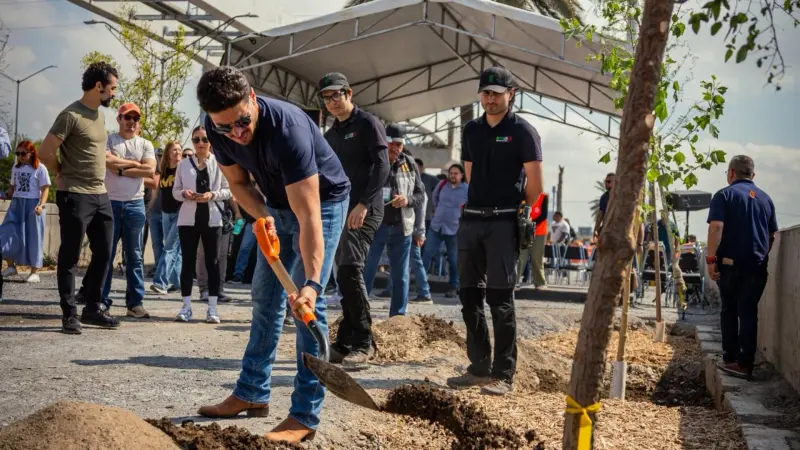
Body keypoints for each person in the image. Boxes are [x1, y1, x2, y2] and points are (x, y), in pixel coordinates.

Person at [195, 66, 350, 443]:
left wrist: (312, 284)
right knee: (265, 297)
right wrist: (264, 219)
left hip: (323, 203)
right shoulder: (217, 127)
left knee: (306, 309)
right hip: (275, 206)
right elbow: (237, 184)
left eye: (242, 122)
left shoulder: (288, 130)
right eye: (225, 127)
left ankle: (304, 415)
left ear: (253, 98)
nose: (236, 133)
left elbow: (310, 215)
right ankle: (251, 393)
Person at [446, 66, 543, 396]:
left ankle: (504, 374)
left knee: (500, 300)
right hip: (471, 221)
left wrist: (512, 208)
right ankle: (479, 368)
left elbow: (537, 186)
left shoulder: (523, 132)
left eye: (497, 93)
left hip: (504, 223)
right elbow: (471, 175)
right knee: (469, 297)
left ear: (511, 94)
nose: (490, 98)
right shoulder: (471, 130)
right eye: (485, 92)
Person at [38, 61, 121, 335]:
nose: (114, 94)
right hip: (75, 195)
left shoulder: (99, 115)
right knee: (70, 256)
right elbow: (45, 151)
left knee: (105, 252)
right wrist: (61, 172)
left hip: (101, 195)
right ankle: (69, 314)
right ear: (99, 86)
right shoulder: (70, 115)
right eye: (112, 88)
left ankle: (92, 309)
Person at [318, 72, 390, 366]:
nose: (332, 101)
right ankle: (346, 340)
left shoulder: (368, 123)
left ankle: (364, 342)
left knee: (350, 271)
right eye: (326, 97)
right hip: (339, 210)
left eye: (337, 94)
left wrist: (362, 204)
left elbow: (382, 166)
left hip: (365, 209)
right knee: (343, 276)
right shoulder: (330, 136)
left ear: (349, 93)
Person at [706, 155, 777, 379]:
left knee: (729, 310)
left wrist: (710, 260)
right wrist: (761, 256)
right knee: (748, 313)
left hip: (730, 265)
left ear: (731, 173)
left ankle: (730, 358)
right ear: (753, 175)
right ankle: (746, 364)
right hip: (756, 266)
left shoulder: (724, 195)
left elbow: (716, 227)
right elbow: (771, 234)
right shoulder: (766, 199)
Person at [364, 124, 426, 318]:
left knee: (400, 276)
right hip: (375, 225)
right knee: (366, 271)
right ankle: (359, 313)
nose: (395, 148)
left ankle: (398, 316)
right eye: (392, 143)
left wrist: (407, 200)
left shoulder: (409, 163)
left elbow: (420, 194)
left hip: (402, 227)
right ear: (384, 142)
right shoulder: (372, 160)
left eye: (399, 144)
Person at [100, 102, 156, 318]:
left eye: (135, 118)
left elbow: (150, 169)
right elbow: (106, 161)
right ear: (119, 119)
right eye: (127, 117)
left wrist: (120, 168)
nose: (131, 122)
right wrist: (134, 165)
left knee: (135, 256)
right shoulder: (109, 140)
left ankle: (135, 303)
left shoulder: (145, 144)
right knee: (106, 254)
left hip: (135, 205)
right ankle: (101, 301)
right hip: (110, 203)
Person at [172, 126, 231, 323]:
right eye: (196, 140)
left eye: (204, 140)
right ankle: (186, 307)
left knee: (212, 263)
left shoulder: (220, 163)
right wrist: (184, 194)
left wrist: (211, 195)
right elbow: (175, 191)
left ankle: (212, 309)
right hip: (188, 220)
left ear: (210, 142)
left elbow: (228, 191)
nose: (200, 144)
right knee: (187, 263)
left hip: (212, 219)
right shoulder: (183, 164)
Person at [1, 140, 50, 283]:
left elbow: (45, 188)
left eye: (23, 153)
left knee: (34, 237)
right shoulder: (15, 168)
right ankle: (11, 266)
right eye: (18, 153)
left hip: (33, 206)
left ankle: (35, 271)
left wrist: (41, 205)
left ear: (31, 153)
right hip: (16, 204)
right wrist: (5, 194)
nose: (20, 156)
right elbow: (12, 188)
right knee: (5, 233)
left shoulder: (40, 168)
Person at [421, 162, 468, 298]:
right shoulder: (442, 185)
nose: (452, 176)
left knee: (453, 260)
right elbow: (434, 199)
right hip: (437, 226)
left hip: (455, 229)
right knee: (427, 255)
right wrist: (440, 211)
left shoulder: (466, 189)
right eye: (451, 173)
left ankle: (454, 286)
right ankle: (421, 284)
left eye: (455, 173)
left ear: (462, 175)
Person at [149, 141, 182, 294]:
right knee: (174, 249)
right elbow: (156, 192)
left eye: (179, 150)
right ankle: (178, 282)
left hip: (181, 212)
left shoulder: (184, 169)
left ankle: (160, 282)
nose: (177, 152)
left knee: (169, 247)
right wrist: (149, 208)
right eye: (174, 150)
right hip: (165, 212)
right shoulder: (163, 170)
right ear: (168, 153)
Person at [593, 172, 614, 240]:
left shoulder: (621, 197)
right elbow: (600, 215)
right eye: (605, 181)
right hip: (606, 230)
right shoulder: (604, 197)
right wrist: (595, 230)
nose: (606, 183)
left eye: (609, 181)